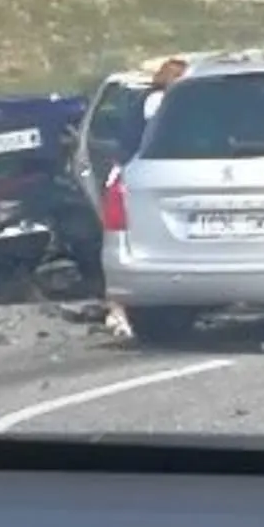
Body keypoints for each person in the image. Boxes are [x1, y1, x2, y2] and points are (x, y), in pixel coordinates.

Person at [105, 56, 188, 339]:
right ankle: (119, 308)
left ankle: (119, 308)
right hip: (138, 176)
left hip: (129, 172)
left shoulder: (144, 101)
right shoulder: (159, 104)